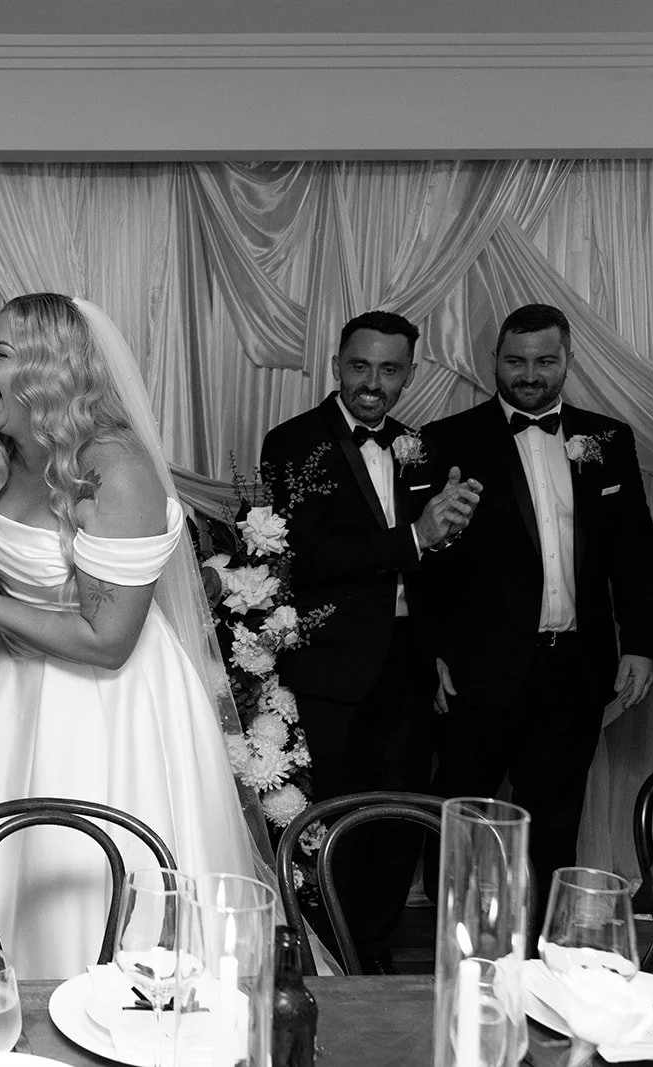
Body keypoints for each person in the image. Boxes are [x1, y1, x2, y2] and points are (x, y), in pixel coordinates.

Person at [0, 293, 260, 980]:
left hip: (102, 706)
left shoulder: (116, 469)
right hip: (7, 693)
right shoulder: (9, 450)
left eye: (0, 350)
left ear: (50, 368)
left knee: (78, 883)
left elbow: (108, 639)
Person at [423, 303, 653, 929]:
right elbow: (426, 562)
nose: (529, 374)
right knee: (463, 822)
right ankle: (460, 956)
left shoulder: (608, 439)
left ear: (567, 361)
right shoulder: (447, 441)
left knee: (556, 822)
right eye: (515, 361)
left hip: (575, 671)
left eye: (544, 361)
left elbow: (636, 549)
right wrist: (433, 653)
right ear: (494, 361)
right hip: (478, 670)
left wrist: (642, 642)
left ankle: (540, 963)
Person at [259, 311, 479, 973]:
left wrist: (439, 648)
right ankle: (326, 953)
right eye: (360, 366)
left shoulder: (419, 446)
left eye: (389, 370)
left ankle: (374, 949)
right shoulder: (294, 442)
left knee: (398, 814)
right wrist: (414, 537)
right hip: (331, 663)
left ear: (408, 374)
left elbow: (435, 570)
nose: (372, 383)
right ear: (336, 365)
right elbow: (306, 554)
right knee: (331, 817)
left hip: (409, 663)